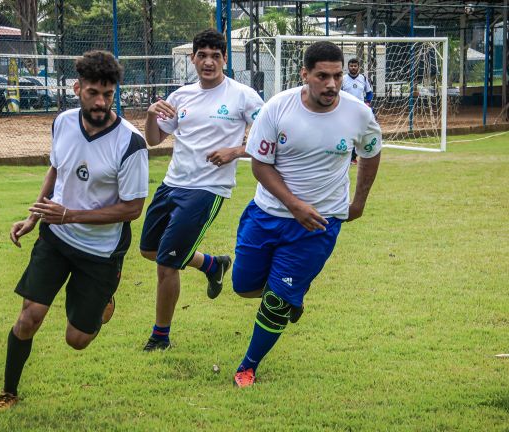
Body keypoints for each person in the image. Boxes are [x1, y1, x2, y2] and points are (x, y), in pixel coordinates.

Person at [0, 50, 149, 410]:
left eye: (108, 94)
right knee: (29, 317)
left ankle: (102, 304)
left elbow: (132, 209)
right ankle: (9, 392)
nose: (100, 102)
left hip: (100, 251)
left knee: (76, 340)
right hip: (56, 238)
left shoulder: (130, 143)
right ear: (77, 88)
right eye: (93, 92)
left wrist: (70, 214)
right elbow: (57, 169)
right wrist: (34, 216)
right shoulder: (61, 122)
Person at [231, 41, 382, 387]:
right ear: (305, 75)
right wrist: (294, 205)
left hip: (319, 223)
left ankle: (248, 365)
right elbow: (260, 165)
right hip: (266, 215)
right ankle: (289, 296)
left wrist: (358, 203)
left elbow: (371, 153)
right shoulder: (277, 108)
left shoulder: (358, 113)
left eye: (337, 76)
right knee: (243, 286)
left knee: (276, 301)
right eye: (322, 76)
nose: (331, 84)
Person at [140, 29, 264, 351]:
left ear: (225, 59)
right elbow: (154, 139)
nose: (208, 62)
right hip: (171, 184)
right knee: (149, 250)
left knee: (167, 264)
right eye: (202, 55)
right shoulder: (180, 96)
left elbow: (271, 137)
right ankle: (212, 264)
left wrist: (235, 151)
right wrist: (150, 116)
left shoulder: (242, 96)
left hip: (208, 189)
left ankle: (160, 337)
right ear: (193, 58)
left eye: (215, 56)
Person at [342, 58, 374, 164]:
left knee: (360, 133)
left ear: (358, 67)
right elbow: (338, 93)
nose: (353, 67)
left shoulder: (363, 79)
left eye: (355, 66)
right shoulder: (343, 79)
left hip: (360, 111)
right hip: (346, 110)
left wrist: (367, 103)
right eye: (351, 66)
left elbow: (369, 93)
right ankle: (348, 157)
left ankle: (355, 157)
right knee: (347, 133)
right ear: (348, 67)